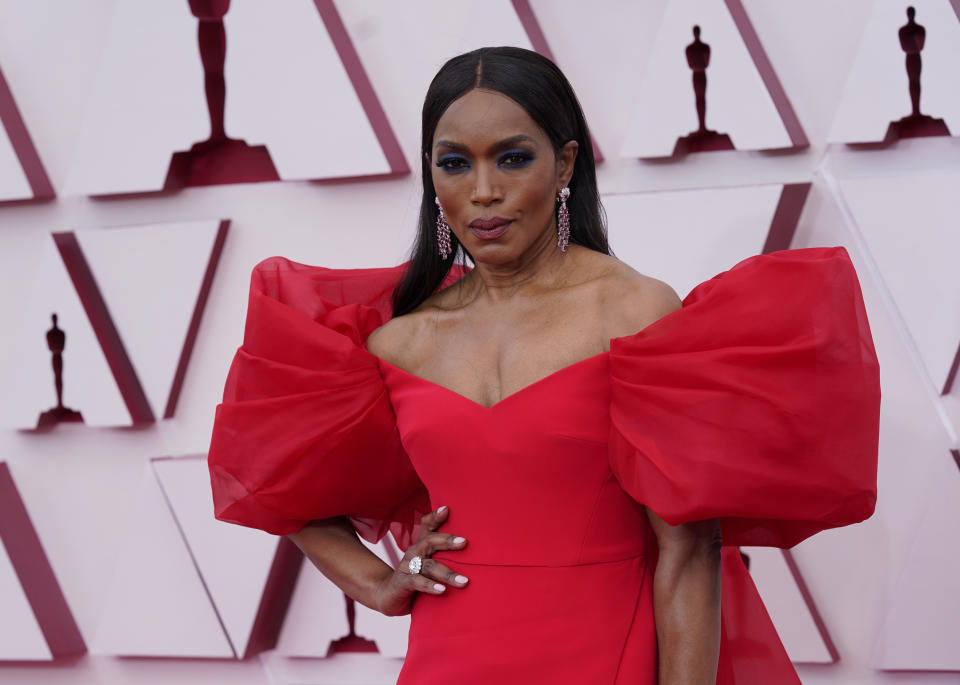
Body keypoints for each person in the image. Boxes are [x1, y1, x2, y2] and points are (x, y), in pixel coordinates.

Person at [207, 46, 880, 684]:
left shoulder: (632, 310)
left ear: (563, 167)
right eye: (454, 163)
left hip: (605, 645)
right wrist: (378, 582)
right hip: (450, 655)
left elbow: (689, 551)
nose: (483, 190)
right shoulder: (400, 341)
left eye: (512, 158)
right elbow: (277, 478)